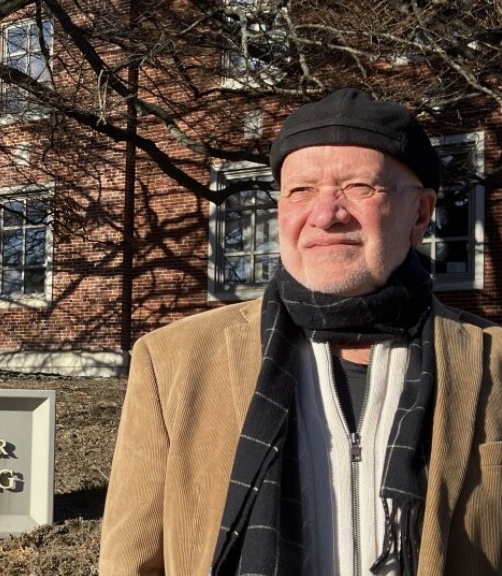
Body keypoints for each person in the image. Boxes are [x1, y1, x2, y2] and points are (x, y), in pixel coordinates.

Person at [99, 88, 502, 576]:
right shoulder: (172, 363)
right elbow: (129, 564)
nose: (325, 214)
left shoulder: (493, 363)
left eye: (358, 187)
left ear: (419, 213)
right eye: (301, 191)